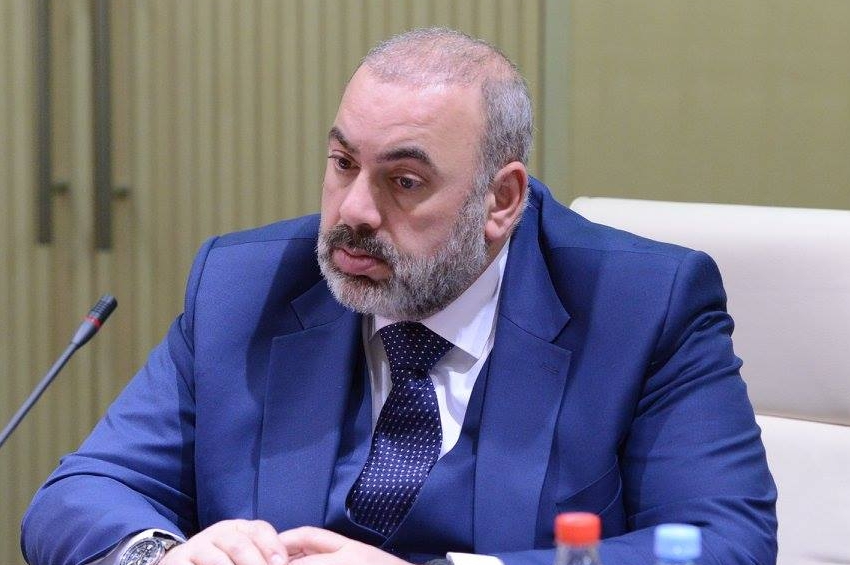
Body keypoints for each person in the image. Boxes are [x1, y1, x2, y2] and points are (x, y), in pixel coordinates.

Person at [21, 27, 777, 565]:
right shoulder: (244, 285)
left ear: (501, 201)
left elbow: (723, 541)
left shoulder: (643, 307)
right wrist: (167, 555)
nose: (353, 210)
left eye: (403, 181)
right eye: (343, 163)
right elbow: (82, 492)